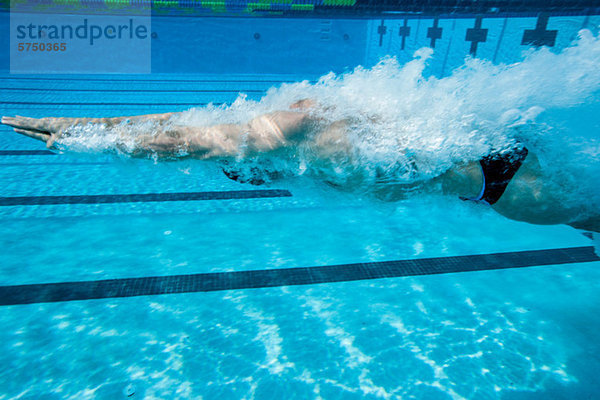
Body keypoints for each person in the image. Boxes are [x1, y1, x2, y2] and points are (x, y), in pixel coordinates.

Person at [2, 98, 599, 235]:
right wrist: (86, 126)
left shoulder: (290, 131)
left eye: (249, 170)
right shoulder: (295, 149)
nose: (262, 177)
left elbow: (188, 143)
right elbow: (179, 125)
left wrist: (75, 140)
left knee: (590, 217)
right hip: (493, 169)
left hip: (503, 180)